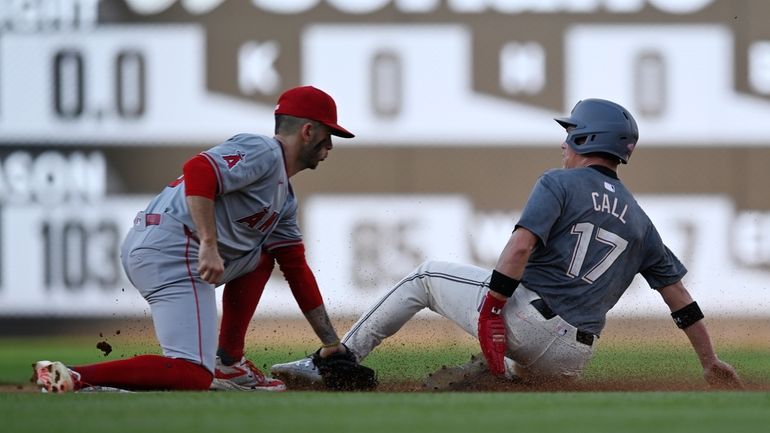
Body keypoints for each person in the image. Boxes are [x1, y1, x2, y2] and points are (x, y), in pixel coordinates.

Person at [270, 98, 744, 390]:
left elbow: (518, 249)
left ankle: (335, 362)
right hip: (572, 357)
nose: (564, 143)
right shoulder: (641, 222)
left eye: (570, 133)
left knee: (427, 276)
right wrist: (710, 361)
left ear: (586, 137)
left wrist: (493, 307)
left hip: (528, 323)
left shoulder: (560, 183)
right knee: (522, 370)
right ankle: (498, 381)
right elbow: (679, 298)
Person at [32, 85, 355, 392]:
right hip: (173, 247)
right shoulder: (265, 151)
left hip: (166, 245)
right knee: (193, 374)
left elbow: (295, 267)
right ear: (308, 131)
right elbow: (199, 169)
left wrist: (331, 344)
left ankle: (229, 361)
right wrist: (209, 245)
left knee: (263, 254)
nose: (330, 147)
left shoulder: (284, 200)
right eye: (329, 136)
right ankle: (73, 375)